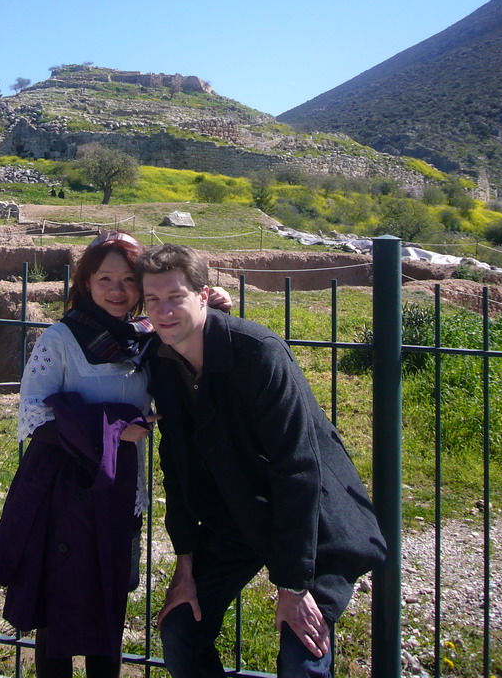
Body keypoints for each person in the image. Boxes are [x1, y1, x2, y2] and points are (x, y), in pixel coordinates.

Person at [0, 231, 231, 678]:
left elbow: (193, 338)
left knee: (109, 597)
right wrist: (113, 428)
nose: (118, 291)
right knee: (57, 603)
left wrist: (215, 307)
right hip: (65, 491)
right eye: (105, 279)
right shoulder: (61, 338)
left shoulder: (145, 339)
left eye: (129, 280)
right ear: (86, 282)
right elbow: (33, 417)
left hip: (119, 492)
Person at [136, 244, 386, 678]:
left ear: (203, 295)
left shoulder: (257, 353)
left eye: (175, 296)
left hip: (313, 523)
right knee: (180, 629)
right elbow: (175, 465)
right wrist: (186, 562)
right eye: (153, 300)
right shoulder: (162, 362)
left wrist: (292, 585)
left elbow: (299, 468)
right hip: (237, 516)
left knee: (301, 652)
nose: (163, 311)